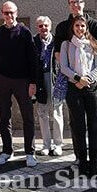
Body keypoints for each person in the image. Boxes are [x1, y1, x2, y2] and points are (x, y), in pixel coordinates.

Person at [54, 0, 97, 168]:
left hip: (93, 84)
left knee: (96, 121)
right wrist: (76, 78)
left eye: (78, 2)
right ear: (69, 5)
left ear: (83, 3)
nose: (76, 5)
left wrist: (95, 78)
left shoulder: (95, 24)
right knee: (76, 123)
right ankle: (80, 157)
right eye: (72, 2)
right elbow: (59, 55)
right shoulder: (63, 27)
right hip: (73, 83)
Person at [0, 1, 38, 167]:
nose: (9, 16)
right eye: (6, 13)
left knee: (28, 117)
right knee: (4, 118)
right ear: (2, 14)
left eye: (11, 12)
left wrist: (33, 82)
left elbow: (33, 59)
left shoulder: (25, 32)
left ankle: (30, 152)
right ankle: (7, 151)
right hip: (3, 80)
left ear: (16, 13)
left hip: (23, 80)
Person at [60, 15, 97, 177]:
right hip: (74, 88)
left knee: (94, 126)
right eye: (77, 26)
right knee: (78, 127)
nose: (80, 29)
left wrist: (88, 80)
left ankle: (94, 163)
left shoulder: (94, 44)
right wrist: (78, 79)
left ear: (87, 28)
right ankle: (82, 162)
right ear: (73, 27)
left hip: (92, 89)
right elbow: (64, 67)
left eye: (83, 26)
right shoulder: (66, 45)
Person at [34, 16, 64, 156]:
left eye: (46, 25)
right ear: (37, 27)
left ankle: (58, 144)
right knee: (42, 113)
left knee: (57, 112)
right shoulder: (33, 41)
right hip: (40, 80)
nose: (43, 28)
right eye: (40, 26)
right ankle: (46, 144)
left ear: (50, 26)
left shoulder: (57, 41)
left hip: (55, 78)